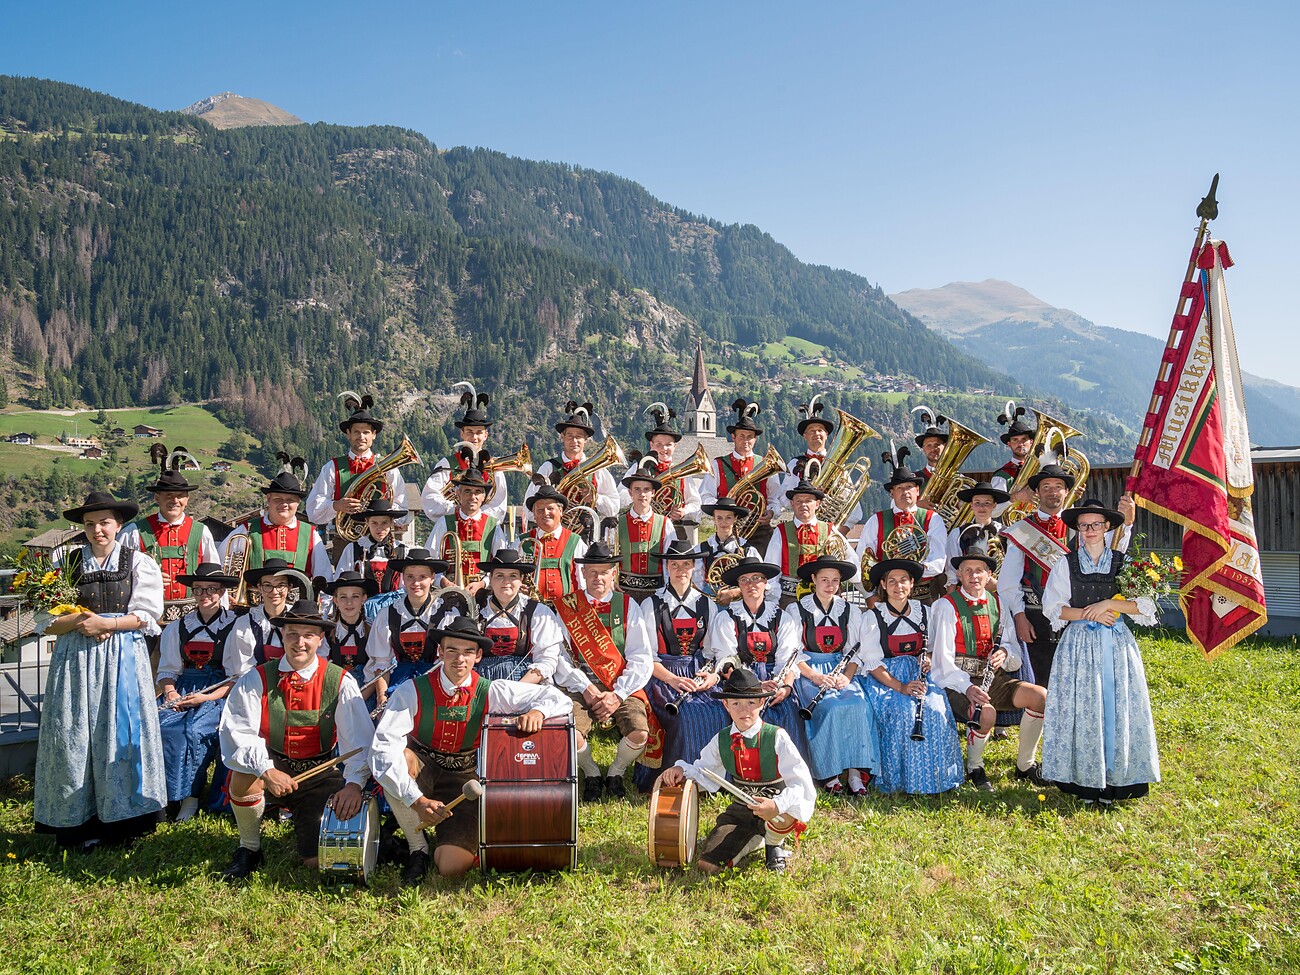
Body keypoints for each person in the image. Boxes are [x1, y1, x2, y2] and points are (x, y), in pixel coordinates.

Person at [369, 617, 574, 883]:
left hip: (464, 780)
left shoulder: (491, 690)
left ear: (478, 656)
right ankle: (417, 848)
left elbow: (560, 699)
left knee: (451, 867)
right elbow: (382, 749)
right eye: (452, 650)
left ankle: (449, 837)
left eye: (467, 652)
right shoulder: (412, 690)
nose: (459, 659)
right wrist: (417, 801)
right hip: (422, 769)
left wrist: (538, 711)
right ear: (440, 652)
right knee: (400, 758)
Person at [34, 492, 166, 851]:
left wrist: (109, 624)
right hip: (75, 661)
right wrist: (82, 621)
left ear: (118, 525)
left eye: (104, 522)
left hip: (122, 658)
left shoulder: (138, 562)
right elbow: (45, 621)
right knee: (75, 732)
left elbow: (148, 616)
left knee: (118, 729)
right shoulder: (66, 564)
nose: (97, 530)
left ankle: (124, 821)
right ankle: (77, 822)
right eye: (90, 524)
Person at [217, 605, 374, 881]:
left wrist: (353, 785)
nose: (299, 642)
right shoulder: (256, 678)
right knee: (243, 776)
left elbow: (359, 741)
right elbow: (239, 732)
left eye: (308, 635)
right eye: (292, 634)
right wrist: (267, 770)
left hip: (319, 773)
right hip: (273, 764)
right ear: (282, 635)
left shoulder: (339, 681)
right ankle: (249, 848)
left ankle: (307, 822)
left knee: (316, 861)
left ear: (320, 639)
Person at [1040, 499, 1162, 808]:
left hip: (1116, 645)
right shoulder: (1065, 563)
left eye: (1096, 524)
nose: (1090, 530)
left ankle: (1116, 781)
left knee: (1115, 706)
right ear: (1078, 529)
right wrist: (1089, 613)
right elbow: (1054, 609)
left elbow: (1145, 607)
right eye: (1084, 525)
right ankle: (1084, 779)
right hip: (1079, 646)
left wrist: (1108, 604)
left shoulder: (1124, 562)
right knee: (1083, 707)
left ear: (1107, 527)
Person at [657, 668, 815, 874]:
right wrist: (682, 769)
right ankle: (755, 840)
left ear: (761, 702)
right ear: (726, 705)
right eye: (736, 703)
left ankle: (774, 843)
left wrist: (777, 805)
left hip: (775, 809)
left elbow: (800, 783)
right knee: (708, 866)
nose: (744, 710)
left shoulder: (777, 736)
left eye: (751, 703)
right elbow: (704, 771)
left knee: (786, 814)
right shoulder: (722, 739)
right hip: (742, 809)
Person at [998, 452, 1135, 687]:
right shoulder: (1021, 530)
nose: (1052, 492)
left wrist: (1128, 523)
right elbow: (1008, 582)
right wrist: (1019, 616)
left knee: (1079, 680)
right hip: (1035, 616)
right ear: (1037, 492)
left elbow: (1112, 554)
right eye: (1046, 487)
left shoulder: (1081, 526)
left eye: (1058, 487)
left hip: (1079, 614)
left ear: (1066, 491)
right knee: (1041, 682)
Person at [931, 542, 1048, 791]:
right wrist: (967, 687)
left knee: (1041, 697)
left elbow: (1013, 649)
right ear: (959, 575)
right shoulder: (945, 606)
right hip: (956, 682)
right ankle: (975, 767)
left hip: (993, 677)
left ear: (989, 575)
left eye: (980, 570)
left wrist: (1004, 653)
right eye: (968, 570)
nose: (974, 575)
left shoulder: (999, 603)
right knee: (986, 713)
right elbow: (942, 662)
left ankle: (1025, 765)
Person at [549, 541, 653, 801]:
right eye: (593, 572)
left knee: (640, 732)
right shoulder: (568, 606)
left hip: (619, 684)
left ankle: (616, 771)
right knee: (570, 734)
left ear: (613, 573)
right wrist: (585, 688)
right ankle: (592, 772)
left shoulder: (628, 605)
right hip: (578, 685)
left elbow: (641, 657)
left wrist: (617, 695)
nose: (598, 578)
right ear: (583, 573)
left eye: (604, 572)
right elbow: (559, 657)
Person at [858, 559, 964, 795]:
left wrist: (928, 658)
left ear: (912, 583)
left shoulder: (925, 612)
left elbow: (934, 647)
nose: (898, 586)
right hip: (887, 679)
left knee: (936, 709)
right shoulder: (873, 618)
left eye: (903, 580)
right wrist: (902, 687)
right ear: (883, 585)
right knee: (903, 712)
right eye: (892, 581)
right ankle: (901, 780)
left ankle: (938, 778)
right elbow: (872, 662)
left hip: (920, 675)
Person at [777, 552, 879, 796]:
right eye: (824, 579)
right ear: (813, 579)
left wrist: (847, 677)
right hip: (809, 671)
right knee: (829, 708)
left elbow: (855, 651)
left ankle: (854, 772)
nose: (830, 585)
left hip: (840, 669)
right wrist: (815, 677)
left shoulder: (849, 610)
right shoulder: (796, 609)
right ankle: (829, 772)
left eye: (835, 580)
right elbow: (793, 653)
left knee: (859, 705)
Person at [632, 540, 724, 793]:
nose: (681, 570)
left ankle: (710, 781)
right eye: (675, 565)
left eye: (686, 564)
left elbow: (713, 652)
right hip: (662, 676)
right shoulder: (651, 604)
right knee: (684, 715)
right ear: (667, 567)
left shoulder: (707, 604)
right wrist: (672, 680)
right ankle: (676, 780)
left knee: (719, 710)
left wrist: (710, 675)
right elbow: (646, 655)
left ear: (694, 567)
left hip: (697, 673)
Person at [156, 562, 240, 821]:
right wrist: (171, 694)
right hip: (183, 688)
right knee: (161, 727)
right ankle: (165, 797)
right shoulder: (178, 627)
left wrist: (206, 697)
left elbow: (236, 677)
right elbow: (168, 670)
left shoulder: (236, 626)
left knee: (194, 730)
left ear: (222, 591)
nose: (205, 595)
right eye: (199, 589)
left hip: (218, 691)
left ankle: (191, 797)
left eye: (211, 589)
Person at [702, 555, 806, 752]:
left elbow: (787, 660)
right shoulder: (726, 618)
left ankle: (782, 766)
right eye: (744, 580)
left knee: (788, 711)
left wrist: (785, 688)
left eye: (756, 578)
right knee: (728, 713)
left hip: (775, 681)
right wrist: (755, 687)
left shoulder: (782, 618)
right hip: (739, 681)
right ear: (738, 586)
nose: (751, 584)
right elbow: (727, 662)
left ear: (765, 583)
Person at [118, 464, 220, 625]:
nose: (175, 501)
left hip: (193, 618)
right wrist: (147, 577)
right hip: (147, 619)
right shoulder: (133, 532)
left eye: (180, 496)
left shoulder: (202, 532)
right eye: (169, 495)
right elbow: (118, 575)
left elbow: (213, 574)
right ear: (156, 498)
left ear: (187, 499)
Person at [362, 548, 459, 708]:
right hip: (399, 683)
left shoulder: (446, 614)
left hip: (437, 682)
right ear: (403, 578)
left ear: (432, 578)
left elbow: (450, 662)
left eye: (422, 577)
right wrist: (382, 698)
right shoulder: (387, 614)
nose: (416, 583)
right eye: (410, 577)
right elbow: (381, 663)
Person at [305, 392, 410, 539]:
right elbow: (312, 511)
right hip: (343, 539)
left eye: (366, 432)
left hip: (380, 539)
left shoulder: (388, 468)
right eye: (356, 432)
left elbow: (402, 508)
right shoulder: (332, 467)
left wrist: (382, 513)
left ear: (374, 435)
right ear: (348, 434)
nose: (361, 437)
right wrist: (336, 506)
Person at [854, 445, 947, 605]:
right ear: (892, 493)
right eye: (899, 488)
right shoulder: (876, 520)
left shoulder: (933, 519)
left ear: (917, 491)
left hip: (921, 595)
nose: (905, 492)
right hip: (885, 597)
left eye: (909, 487)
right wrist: (869, 595)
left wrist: (907, 572)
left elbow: (938, 561)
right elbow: (862, 559)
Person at [420, 381, 509, 527]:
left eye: (479, 432)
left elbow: (499, 505)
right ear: (462, 433)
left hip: (483, 529)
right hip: (453, 526)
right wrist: (457, 511)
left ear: (486, 435)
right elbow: (429, 497)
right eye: (469, 432)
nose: (474, 437)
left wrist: (476, 515)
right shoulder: (446, 464)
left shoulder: (496, 467)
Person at [471, 548, 566, 683]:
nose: (506, 581)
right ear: (490, 579)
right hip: (481, 680)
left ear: (521, 579)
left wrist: (517, 688)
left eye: (513, 576)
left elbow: (547, 660)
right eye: (499, 575)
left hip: (525, 681)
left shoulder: (537, 612)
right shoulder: (475, 609)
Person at [769, 395, 862, 531]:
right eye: (811, 431)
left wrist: (842, 531)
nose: (816, 433)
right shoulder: (795, 464)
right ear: (805, 436)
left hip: (830, 528)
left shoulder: (838, 467)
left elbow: (853, 505)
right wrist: (804, 493)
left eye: (820, 430)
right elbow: (783, 499)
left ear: (826, 435)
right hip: (801, 527)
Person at [523, 401, 619, 532]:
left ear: (586, 439)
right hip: (555, 534)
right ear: (562, 437)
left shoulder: (598, 470)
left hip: (587, 535)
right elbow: (528, 509)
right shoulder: (548, 467)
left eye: (579, 437)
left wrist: (596, 498)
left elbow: (614, 507)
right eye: (570, 436)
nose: (574, 441)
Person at [221, 469, 333, 580]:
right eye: (278, 499)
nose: (284, 504)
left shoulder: (311, 535)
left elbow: (323, 576)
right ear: (268, 499)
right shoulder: (246, 530)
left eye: (290, 500)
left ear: (298, 502)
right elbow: (222, 566)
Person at [699, 398, 779, 551]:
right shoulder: (717, 464)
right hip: (727, 529)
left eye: (750, 437)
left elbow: (775, 498)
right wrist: (722, 509)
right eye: (741, 436)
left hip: (759, 530)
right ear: (733, 437)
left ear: (755, 439)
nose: (746, 440)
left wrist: (771, 512)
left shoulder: (766, 464)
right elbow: (706, 496)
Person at [762, 475, 853, 605]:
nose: (803, 505)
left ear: (817, 504)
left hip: (823, 598)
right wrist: (773, 600)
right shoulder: (781, 530)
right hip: (788, 598)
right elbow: (772, 568)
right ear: (792, 504)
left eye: (808, 501)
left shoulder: (829, 529)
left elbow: (850, 558)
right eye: (798, 501)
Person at [621, 403, 703, 544]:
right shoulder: (639, 467)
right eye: (658, 444)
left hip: (674, 531)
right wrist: (640, 498)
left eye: (668, 444)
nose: (663, 448)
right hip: (643, 528)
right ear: (651, 445)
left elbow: (696, 503)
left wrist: (683, 511)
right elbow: (621, 496)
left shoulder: (682, 471)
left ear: (674, 446)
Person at [426, 456, 500, 597]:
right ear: (458, 494)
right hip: (449, 593)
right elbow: (430, 559)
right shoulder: (443, 522)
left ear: (484, 497)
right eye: (467, 491)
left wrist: (482, 583)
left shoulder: (493, 525)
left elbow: (501, 565)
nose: (472, 497)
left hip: (483, 594)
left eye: (477, 492)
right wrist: (442, 581)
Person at [223, 559, 308, 677]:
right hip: (255, 684)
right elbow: (243, 670)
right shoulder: (245, 624)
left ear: (289, 587)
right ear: (259, 587)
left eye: (281, 585)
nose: (274, 591)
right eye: (268, 585)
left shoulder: (301, 619)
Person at [616, 457, 677, 600]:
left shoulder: (665, 523)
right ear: (630, 493)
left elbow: (671, 559)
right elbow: (611, 557)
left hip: (657, 591)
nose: (642, 494)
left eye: (646, 490)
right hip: (625, 591)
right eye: (637, 489)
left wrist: (667, 589)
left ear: (653, 493)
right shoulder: (619, 523)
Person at [517, 481, 587, 604]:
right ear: (534, 515)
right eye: (540, 510)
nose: (545, 513)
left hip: (567, 609)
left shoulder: (575, 541)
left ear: (560, 511)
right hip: (531, 608)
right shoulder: (522, 542)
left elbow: (583, 580)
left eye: (550, 508)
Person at [332, 497, 408, 592]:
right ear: (367, 522)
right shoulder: (353, 549)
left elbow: (406, 586)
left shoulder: (402, 550)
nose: (379, 528)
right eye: (374, 523)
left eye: (384, 523)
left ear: (391, 522)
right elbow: (342, 581)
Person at [944, 482, 1009, 590]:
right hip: (967, 591)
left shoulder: (1006, 533)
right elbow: (952, 572)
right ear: (971, 505)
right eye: (977, 503)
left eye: (987, 503)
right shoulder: (957, 534)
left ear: (994, 505)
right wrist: (951, 597)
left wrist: (998, 586)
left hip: (999, 592)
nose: (982, 507)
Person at [695, 499, 757, 605]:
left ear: (735, 519)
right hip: (710, 600)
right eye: (719, 518)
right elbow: (697, 582)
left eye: (728, 518)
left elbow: (758, 582)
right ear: (714, 519)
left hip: (738, 602)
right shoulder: (702, 548)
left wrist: (735, 592)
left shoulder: (747, 549)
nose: (723, 522)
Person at [319, 571, 377, 685]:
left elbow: (377, 669)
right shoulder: (327, 632)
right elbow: (322, 666)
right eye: (343, 597)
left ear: (363, 598)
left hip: (367, 688)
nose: (349, 602)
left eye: (355, 596)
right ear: (336, 600)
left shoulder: (373, 630)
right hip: (334, 686)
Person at [910, 407, 948, 498]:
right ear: (923, 449)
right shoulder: (914, 479)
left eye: (937, 444)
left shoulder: (956, 478)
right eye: (928, 445)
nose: (933, 449)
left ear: (945, 446)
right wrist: (919, 504)